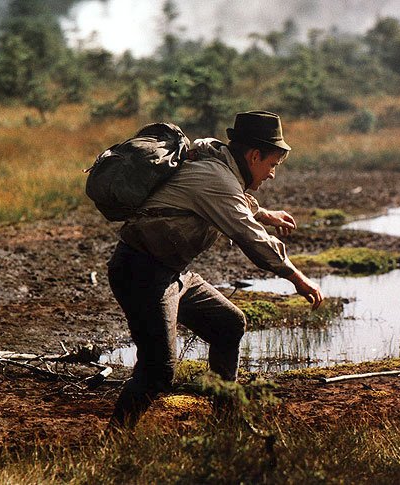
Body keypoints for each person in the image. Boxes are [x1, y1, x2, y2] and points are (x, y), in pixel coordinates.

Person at [106, 110, 323, 428]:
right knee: (158, 370)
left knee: (228, 324)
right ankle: (113, 439)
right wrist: (296, 277)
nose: (272, 174)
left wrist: (265, 213)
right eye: (272, 164)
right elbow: (249, 236)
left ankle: (225, 423)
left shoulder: (218, 164)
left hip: (171, 273)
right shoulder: (216, 177)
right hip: (142, 273)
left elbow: (234, 200)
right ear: (254, 155)